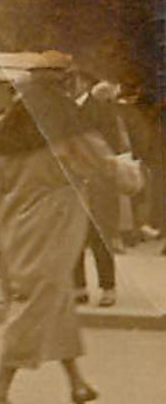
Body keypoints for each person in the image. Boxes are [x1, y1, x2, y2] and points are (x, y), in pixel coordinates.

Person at [0, 53, 131, 404]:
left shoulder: (2, 128)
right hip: (54, 224)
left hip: (14, 221)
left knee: (56, 298)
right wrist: (135, 173)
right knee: (38, 302)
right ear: (66, 83)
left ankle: (77, 383)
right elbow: (111, 170)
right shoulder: (69, 128)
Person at [73, 77, 129, 306]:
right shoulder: (72, 108)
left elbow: (113, 146)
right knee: (76, 235)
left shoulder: (102, 110)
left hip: (98, 182)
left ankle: (106, 286)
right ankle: (80, 286)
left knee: (100, 236)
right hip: (78, 181)